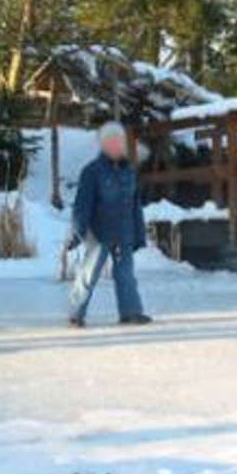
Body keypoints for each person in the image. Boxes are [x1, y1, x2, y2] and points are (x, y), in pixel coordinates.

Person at [68, 122, 153, 328]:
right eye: (111, 142)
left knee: (126, 275)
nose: (116, 146)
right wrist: (78, 231)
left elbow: (135, 207)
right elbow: (82, 205)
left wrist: (139, 235)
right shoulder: (92, 171)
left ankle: (131, 312)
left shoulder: (129, 172)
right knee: (89, 274)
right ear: (103, 145)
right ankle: (76, 313)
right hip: (98, 233)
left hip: (124, 233)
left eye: (119, 142)